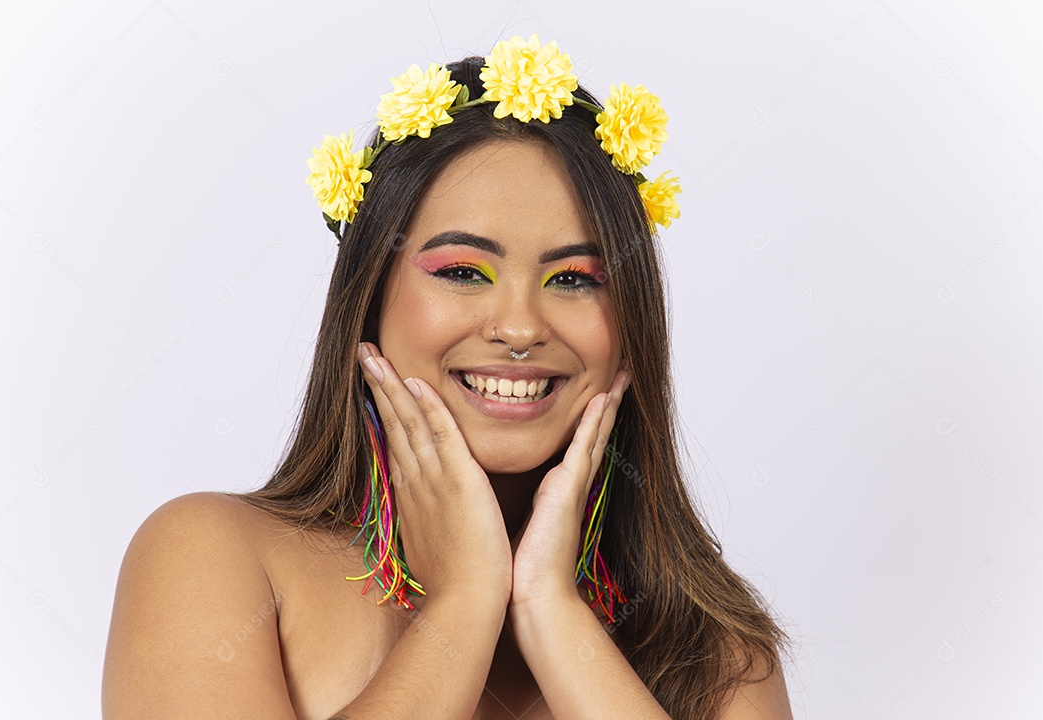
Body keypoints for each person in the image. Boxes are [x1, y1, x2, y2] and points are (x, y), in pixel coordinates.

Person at [102, 35, 794, 719]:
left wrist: (551, 612)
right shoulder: (214, 557)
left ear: (632, 334)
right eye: (463, 272)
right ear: (366, 301)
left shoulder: (714, 644)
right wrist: (463, 601)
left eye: (574, 279)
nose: (520, 328)